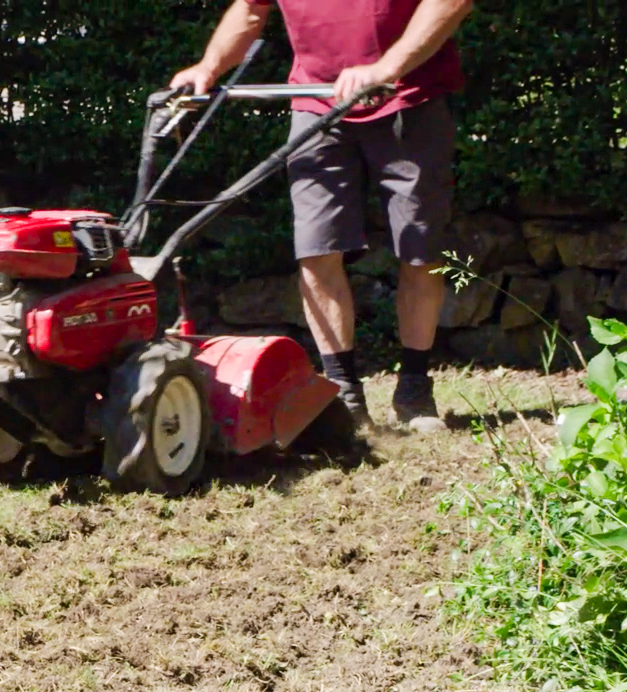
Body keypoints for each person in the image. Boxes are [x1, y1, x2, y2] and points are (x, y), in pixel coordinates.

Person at [171, 0, 474, 431]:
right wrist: (209, 66)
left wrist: (387, 67)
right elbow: (250, 10)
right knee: (317, 249)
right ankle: (342, 392)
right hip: (315, 104)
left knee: (420, 251)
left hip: (410, 99)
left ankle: (414, 387)